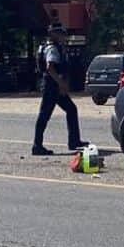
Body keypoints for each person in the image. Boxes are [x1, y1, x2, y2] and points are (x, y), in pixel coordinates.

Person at [32, 23, 87, 156]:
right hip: (52, 86)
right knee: (44, 115)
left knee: (71, 109)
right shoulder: (52, 49)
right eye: (60, 33)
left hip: (55, 85)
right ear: (53, 34)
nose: (63, 36)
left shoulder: (56, 47)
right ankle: (37, 146)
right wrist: (61, 84)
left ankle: (74, 141)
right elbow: (50, 68)